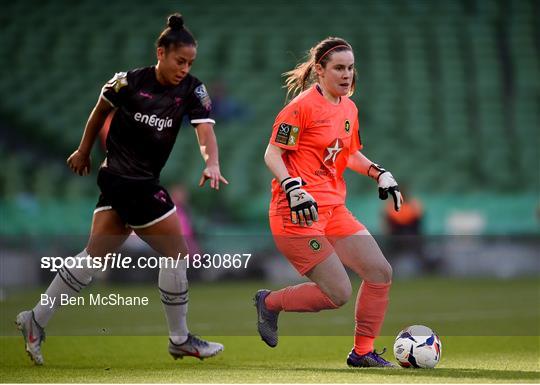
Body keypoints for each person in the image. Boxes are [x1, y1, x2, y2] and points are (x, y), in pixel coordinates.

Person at [16, 13, 228, 365]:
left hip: (134, 181)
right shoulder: (128, 82)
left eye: (190, 62)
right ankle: (179, 338)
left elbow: (205, 132)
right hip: (126, 179)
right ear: (160, 52)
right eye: (179, 60)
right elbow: (99, 112)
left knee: (93, 258)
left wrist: (212, 162)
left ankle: (35, 319)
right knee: (176, 254)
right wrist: (83, 150)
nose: (184, 68)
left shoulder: (192, 89)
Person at [254, 37, 402, 368]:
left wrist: (379, 173)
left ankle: (362, 353)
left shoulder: (349, 107)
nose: (347, 74)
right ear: (320, 70)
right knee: (338, 294)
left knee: (380, 272)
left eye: (350, 68)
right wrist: (292, 186)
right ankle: (270, 302)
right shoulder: (301, 108)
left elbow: (347, 153)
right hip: (296, 213)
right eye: (338, 68)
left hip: (333, 210)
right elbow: (272, 153)